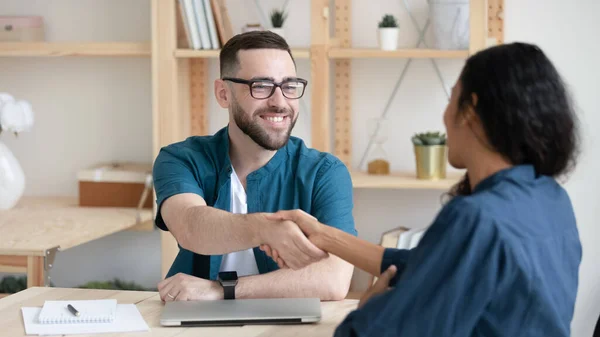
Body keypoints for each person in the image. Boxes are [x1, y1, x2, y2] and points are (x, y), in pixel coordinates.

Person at [263, 42, 582, 336]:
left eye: (451, 99)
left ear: (469, 111)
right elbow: (432, 265)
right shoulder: (551, 198)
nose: (444, 117)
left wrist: (370, 306)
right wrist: (324, 235)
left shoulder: (476, 218)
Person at [152, 31, 356, 302]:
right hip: (193, 322)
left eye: (289, 86)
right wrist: (265, 228)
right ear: (223, 94)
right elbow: (190, 226)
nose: (280, 102)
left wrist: (221, 290)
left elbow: (334, 279)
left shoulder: (324, 172)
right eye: (261, 86)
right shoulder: (181, 159)